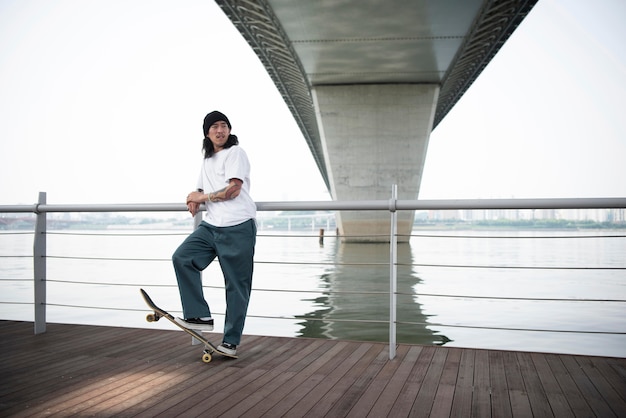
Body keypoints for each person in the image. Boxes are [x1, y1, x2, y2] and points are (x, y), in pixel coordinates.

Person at [172, 110, 257, 356]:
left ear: (229, 130)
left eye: (224, 126)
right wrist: (193, 198)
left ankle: (230, 341)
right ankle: (198, 315)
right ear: (207, 133)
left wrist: (203, 197)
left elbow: (234, 190)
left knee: (236, 286)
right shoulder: (207, 160)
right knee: (183, 258)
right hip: (211, 226)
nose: (220, 131)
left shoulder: (236, 153)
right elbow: (199, 187)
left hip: (238, 225)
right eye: (214, 127)